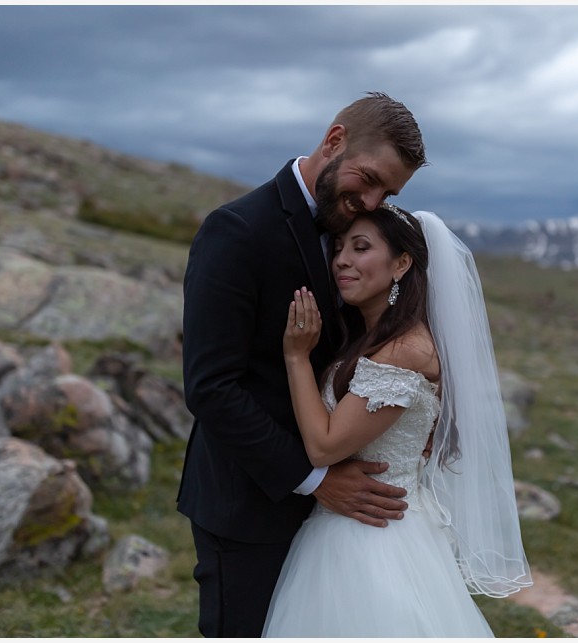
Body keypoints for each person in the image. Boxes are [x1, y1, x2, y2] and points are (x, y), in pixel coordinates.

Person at [176, 92, 428, 638]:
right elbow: (211, 387)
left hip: (337, 524)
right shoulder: (237, 231)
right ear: (334, 141)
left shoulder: (355, 233)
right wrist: (313, 480)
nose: (372, 200)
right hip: (248, 507)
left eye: (389, 192)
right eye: (369, 178)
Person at [263, 205, 532, 637]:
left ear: (402, 263)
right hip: (356, 526)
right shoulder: (378, 339)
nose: (341, 261)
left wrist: (296, 357)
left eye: (361, 247)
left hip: (373, 540)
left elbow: (324, 447)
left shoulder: (404, 349)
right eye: (338, 248)